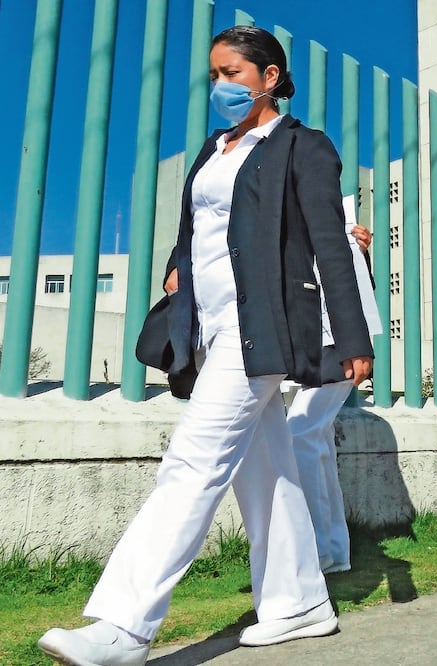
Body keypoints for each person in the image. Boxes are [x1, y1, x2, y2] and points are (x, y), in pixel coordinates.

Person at [38, 25, 373, 666]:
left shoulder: (302, 147)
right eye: (213, 75)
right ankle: (301, 603)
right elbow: (194, 227)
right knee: (264, 468)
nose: (219, 86)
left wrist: (354, 338)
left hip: (264, 328)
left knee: (191, 463)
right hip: (211, 325)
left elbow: (330, 240)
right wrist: (177, 266)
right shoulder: (213, 149)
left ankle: (122, 626)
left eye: (231, 73)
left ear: (269, 77)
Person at [288, 220, 380, 575]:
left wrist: (360, 254)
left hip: (337, 343)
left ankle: (316, 549)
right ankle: (335, 551)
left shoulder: (330, 220)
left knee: (300, 434)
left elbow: (360, 289)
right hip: (311, 341)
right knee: (318, 443)